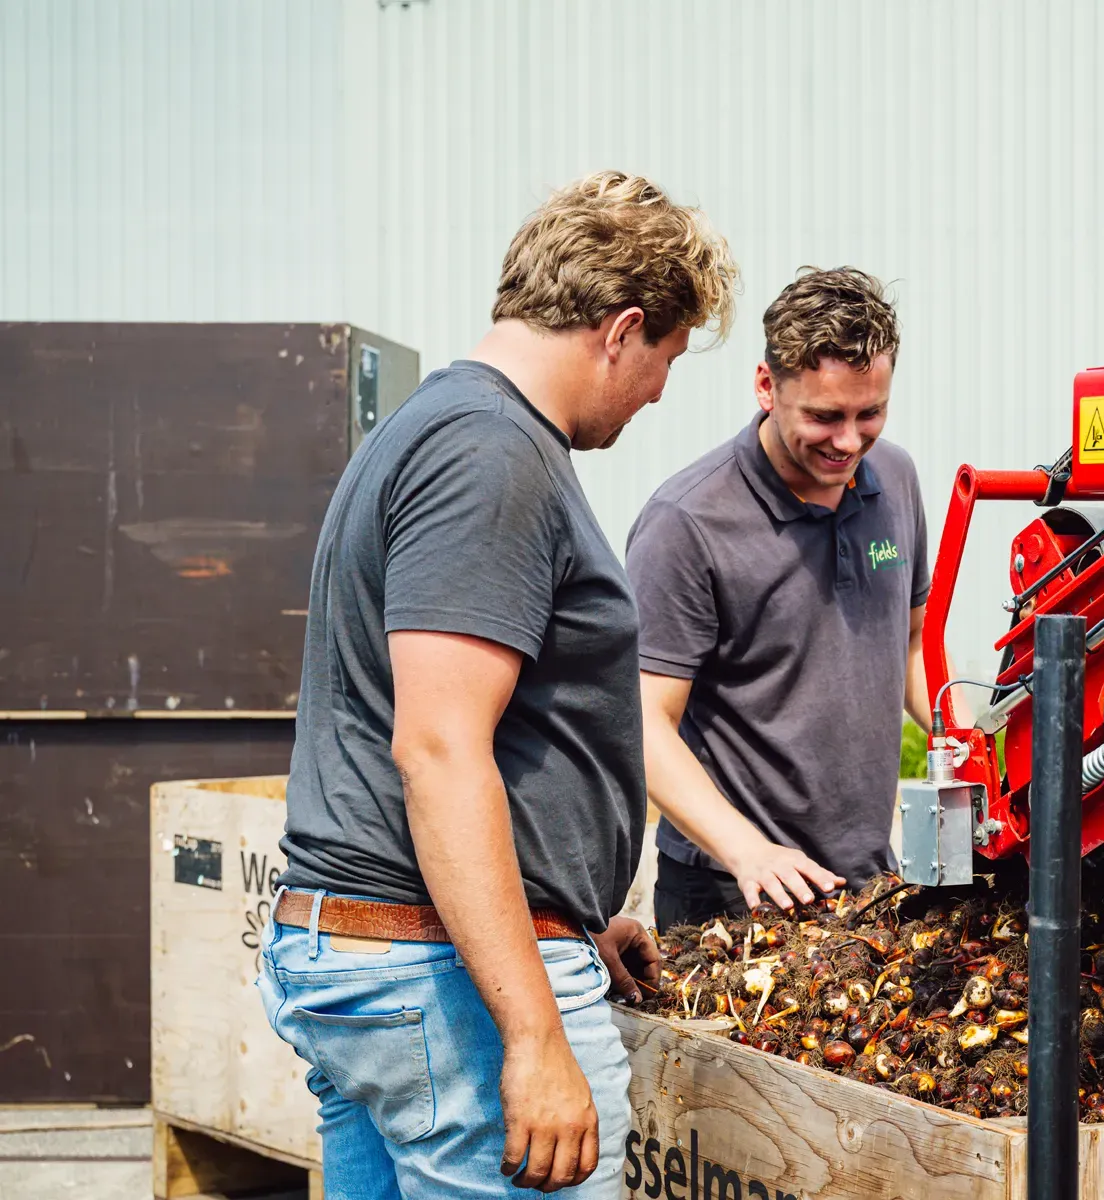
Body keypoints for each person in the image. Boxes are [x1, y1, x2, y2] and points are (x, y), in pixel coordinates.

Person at [259, 171, 737, 1198]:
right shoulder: (492, 455)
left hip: (383, 963)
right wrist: (532, 1030)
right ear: (622, 329)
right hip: (440, 987)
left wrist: (565, 907)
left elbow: (485, 731)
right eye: (667, 359)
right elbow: (436, 750)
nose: (659, 392)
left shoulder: (437, 430)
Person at [626, 267, 933, 928]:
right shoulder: (689, 521)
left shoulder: (897, 479)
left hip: (868, 878)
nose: (849, 442)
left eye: (869, 413)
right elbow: (642, 722)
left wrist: (971, 739)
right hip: (733, 891)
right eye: (824, 417)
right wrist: (746, 850)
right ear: (767, 387)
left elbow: (913, 642)